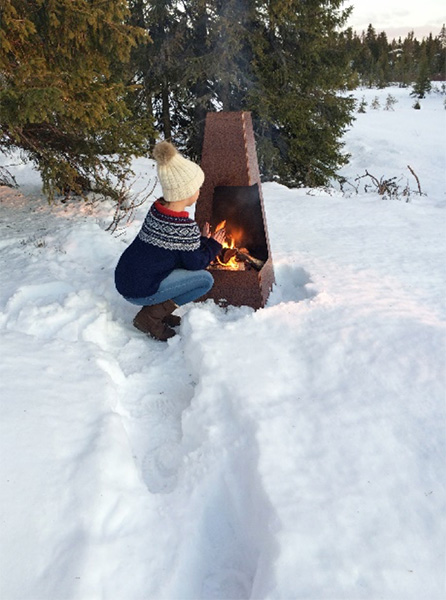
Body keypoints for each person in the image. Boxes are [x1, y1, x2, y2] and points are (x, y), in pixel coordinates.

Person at [114, 140, 226, 341]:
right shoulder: (183, 228)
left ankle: (158, 310)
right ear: (187, 192)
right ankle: (150, 317)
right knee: (204, 280)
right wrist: (213, 245)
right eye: (197, 187)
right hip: (140, 289)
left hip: (126, 279)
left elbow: (176, 250)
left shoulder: (157, 209)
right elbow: (196, 264)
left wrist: (197, 241)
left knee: (183, 269)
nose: (199, 191)